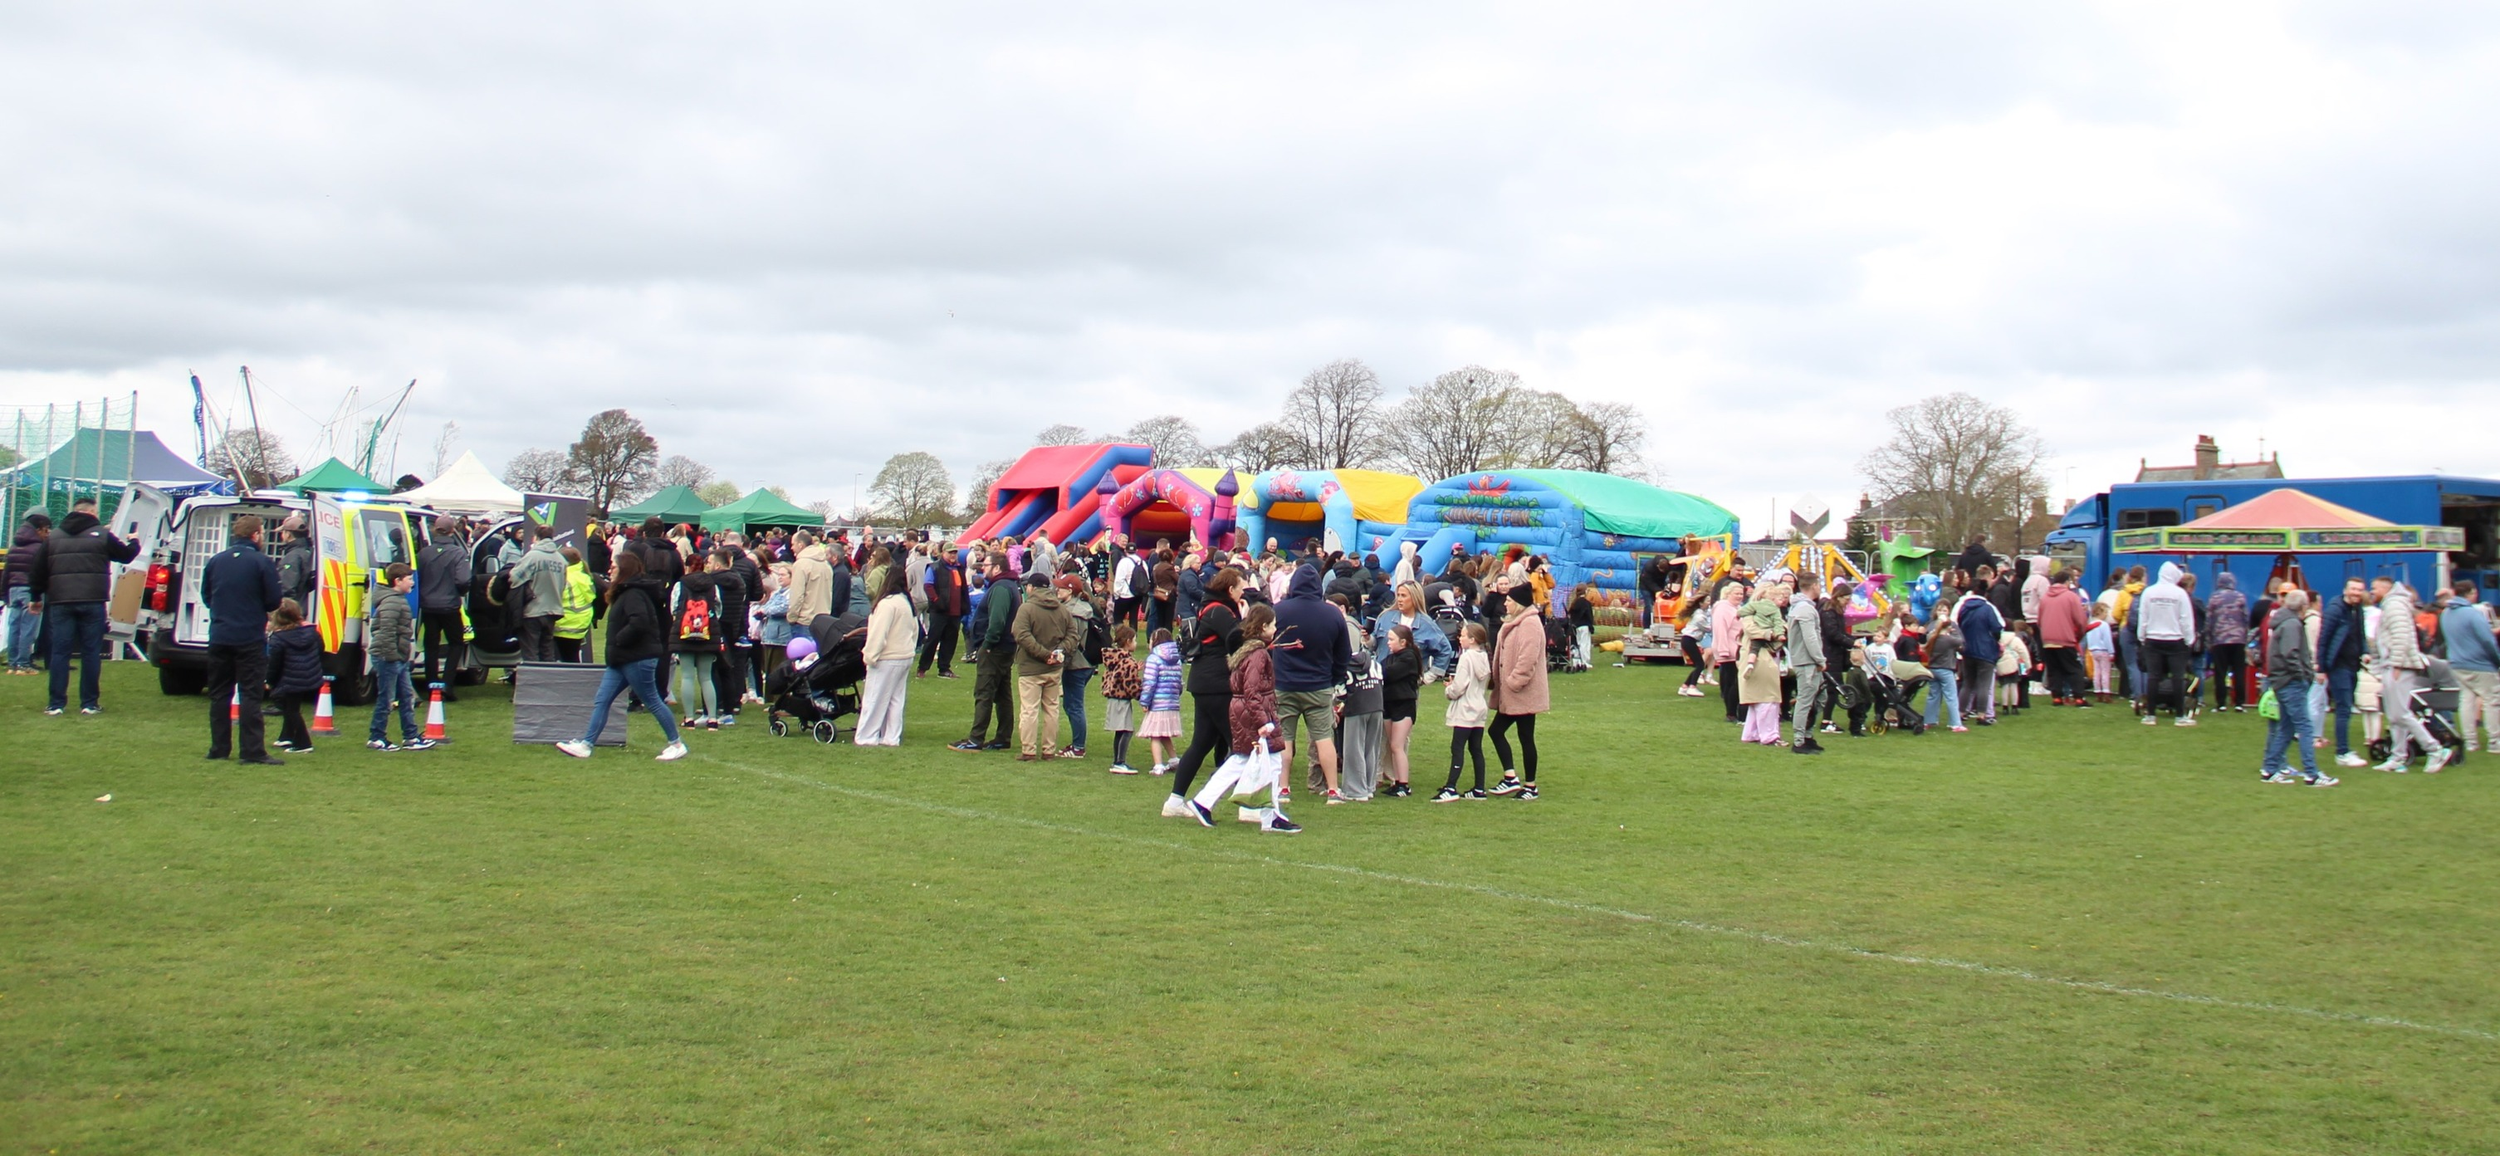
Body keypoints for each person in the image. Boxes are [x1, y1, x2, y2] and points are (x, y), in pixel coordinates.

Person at [556, 551, 686, 761]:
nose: (610, 569)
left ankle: (676, 743)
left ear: (624, 569)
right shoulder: (626, 592)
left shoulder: (634, 594)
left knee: (652, 700)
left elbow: (639, 621)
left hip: (636, 658)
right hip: (621, 659)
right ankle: (586, 745)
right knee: (602, 699)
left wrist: (619, 640)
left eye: (613, 566)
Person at [30, 499, 139, 715]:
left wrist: (36, 597)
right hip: (92, 600)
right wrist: (134, 541)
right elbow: (126, 555)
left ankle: (56, 704)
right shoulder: (101, 534)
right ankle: (89, 703)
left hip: (61, 601)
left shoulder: (54, 537)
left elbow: (38, 570)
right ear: (92, 512)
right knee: (91, 652)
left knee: (60, 652)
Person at [201, 513, 285, 764]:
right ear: (256, 534)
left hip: (220, 635)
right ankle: (252, 750)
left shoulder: (216, 561)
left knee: (219, 694)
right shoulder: (262, 562)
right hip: (249, 636)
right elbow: (273, 600)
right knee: (250, 694)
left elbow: (207, 595)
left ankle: (218, 748)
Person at [1163, 568, 1244, 816]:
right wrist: (1248, 620)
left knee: (1202, 742)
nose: (1243, 592)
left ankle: (1175, 801)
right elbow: (1237, 639)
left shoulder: (1213, 607)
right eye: (1241, 588)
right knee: (1241, 745)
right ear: (1230, 590)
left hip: (1205, 683)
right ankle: (1247, 805)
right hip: (1216, 685)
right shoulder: (1220, 611)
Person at [1271, 564, 1354, 803]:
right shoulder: (1332, 614)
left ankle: (1283, 788)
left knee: (1284, 738)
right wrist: (1333, 678)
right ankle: (1332, 790)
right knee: (1323, 738)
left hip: (1284, 684)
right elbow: (1343, 653)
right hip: (1318, 685)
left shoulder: (1279, 610)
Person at [2259, 588, 2336, 786]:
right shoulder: (2292, 624)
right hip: (2291, 682)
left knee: (2286, 728)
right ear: (2304, 606)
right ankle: (2312, 773)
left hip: (2282, 680)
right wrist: (2302, 676)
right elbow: (2290, 654)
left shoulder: (2282, 622)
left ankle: (2269, 769)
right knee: (2305, 726)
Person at [2371, 578, 2447, 773]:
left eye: (2374, 588)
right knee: (2395, 715)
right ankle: (2398, 757)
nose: (2371, 591)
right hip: (2395, 664)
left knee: (2400, 714)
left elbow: (2401, 636)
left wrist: (2395, 663)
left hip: (2399, 666)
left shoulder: (2394, 605)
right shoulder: (2393, 604)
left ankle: (2434, 749)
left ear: (2385, 588)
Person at [1487, 586, 1553, 794]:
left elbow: (1528, 657)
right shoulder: (1519, 621)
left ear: (1519, 603)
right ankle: (1517, 780)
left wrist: (1514, 681)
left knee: (1507, 733)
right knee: (1521, 735)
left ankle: (1524, 783)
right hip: (1514, 691)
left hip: (1522, 691)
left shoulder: (1530, 624)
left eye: (1508, 600)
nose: (1505, 603)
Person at [951, 556, 1021, 753]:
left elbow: (997, 621)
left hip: (995, 648)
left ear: (997, 567)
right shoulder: (1009, 586)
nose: (983, 569)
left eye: (986, 565)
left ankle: (976, 739)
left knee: (984, 692)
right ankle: (1002, 737)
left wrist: (987, 644)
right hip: (1005, 647)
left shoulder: (1000, 588)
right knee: (1002, 693)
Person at [366, 563, 433, 752]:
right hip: (389, 658)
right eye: (409, 579)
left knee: (406, 697)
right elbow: (386, 632)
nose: (412, 582)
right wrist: (392, 656)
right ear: (397, 581)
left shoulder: (397, 599)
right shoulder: (392, 602)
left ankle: (411, 736)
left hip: (398, 658)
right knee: (386, 699)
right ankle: (376, 737)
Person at [1010, 571, 1072, 761]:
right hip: (1054, 668)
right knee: (1052, 710)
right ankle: (1048, 750)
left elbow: (1020, 634)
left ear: (1031, 588)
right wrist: (1057, 653)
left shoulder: (1026, 608)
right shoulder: (1062, 609)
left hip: (1031, 668)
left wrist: (1044, 654)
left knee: (1029, 710)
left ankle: (1029, 750)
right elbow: (1073, 635)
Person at [854, 566, 916, 746]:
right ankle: (891, 736)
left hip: (888, 657)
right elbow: (915, 630)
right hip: (904, 656)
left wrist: (870, 656)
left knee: (874, 698)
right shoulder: (905, 602)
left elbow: (878, 634)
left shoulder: (887, 604)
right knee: (896, 699)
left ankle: (867, 736)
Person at [1433, 622, 1492, 802]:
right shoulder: (1483, 657)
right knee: (1476, 748)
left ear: (1472, 639)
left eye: (1463, 635)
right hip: (1479, 706)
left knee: (1457, 747)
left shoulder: (1466, 658)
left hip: (1466, 708)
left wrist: (1449, 690)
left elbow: (1459, 687)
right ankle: (1479, 788)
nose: (1460, 638)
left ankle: (1450, 787)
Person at [2133, 562, 2198, 725]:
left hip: (2152, 639)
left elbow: (2143, 617)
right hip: (2175, 640)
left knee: (2153, 677)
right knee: (2178, 678)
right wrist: (2189, 639)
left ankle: (2150, 715)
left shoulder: (2149, 592)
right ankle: (2180, 715)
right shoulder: (2180, 594)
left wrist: (2142, 637)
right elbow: (2186, 619)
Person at [2439, 581, 2500, 754]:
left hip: (2457, 663)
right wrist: (2497, 661)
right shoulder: (2473, 614)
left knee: (2466, 702)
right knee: (2492, 701)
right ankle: (2495, 741)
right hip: (2480, 664)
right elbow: (2488, 640)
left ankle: (2470, 741)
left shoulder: (2445, 613)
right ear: (2470, 593)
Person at [2316, 578, 2370, 768]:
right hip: (2338, 665)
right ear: (2345, 590)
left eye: (2360, 590)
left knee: (2346, 707)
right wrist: (2321, 668)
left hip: (2353, 664)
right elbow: (2323, 639)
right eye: (2353, 589)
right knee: (2343, 708)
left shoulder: (2358, 609)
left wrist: (2365, 652)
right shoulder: (2335, 610)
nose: (2357, 593)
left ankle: (2344, 749)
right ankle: (2342, 752)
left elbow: (2360, 634)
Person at [416, 517, 473, 696]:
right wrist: (461, 592)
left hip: (427, 605)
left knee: (430, 644)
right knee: (456, 643)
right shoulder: (457, 553)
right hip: (449, 605)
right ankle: (447, 683)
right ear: (452, 531)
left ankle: (431, 681)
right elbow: (463, 579)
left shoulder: (423, 553)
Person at [671, 551, 728, 729]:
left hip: (685, 634)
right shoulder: (712, 585)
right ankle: (712, 718)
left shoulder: (681, 585)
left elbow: (674, 608)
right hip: (707, 633)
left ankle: (689, 718)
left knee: (687, 676)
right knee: (706, 677)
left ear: (687, 567)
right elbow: (718, 608)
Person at [265, 598, 325, 753]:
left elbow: (274, 664)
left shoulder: (278, 638)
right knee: (291, 707)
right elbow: (320, 649)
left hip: (289, 679)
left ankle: (303, 743)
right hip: (309, 675)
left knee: (290, 709)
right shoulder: (311, 631)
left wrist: (269, 681)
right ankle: (287, 736)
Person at [1055, 573, 1100, 759]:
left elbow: (1072, 642)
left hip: (1077, 665)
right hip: (1086, 663)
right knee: (1072, 704)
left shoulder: (1074, 612)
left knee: (1074, 706)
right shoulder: (1084, 607)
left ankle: (1078, 747)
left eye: (1061, 587)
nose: (1057, 590)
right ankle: (1077, 744)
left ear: (1071, 591)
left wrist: (1060, 665)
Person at [509, 524, 567, 664]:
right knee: (547, 652)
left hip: (533, 610)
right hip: (553, 609)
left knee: (531, 653)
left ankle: (532, 684)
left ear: (536, 537)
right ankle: (548, 683)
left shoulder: (533, 556)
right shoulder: (561, 559)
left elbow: (514, 579)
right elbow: (563, 585)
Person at [1369, 582, 1453, 676]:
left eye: (1404, 596)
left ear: (1414, 598)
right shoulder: (1385, 617)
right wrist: (1367, 639)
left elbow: (1445, 650)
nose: (1399, 599)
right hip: (1381, 679)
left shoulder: (1427, 625)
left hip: (1408, 685)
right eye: (1398, 595)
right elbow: (1373, 644)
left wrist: (1430, 676)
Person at [1785, 574, 1826, 756]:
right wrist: (1820, 659)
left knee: (1820, 697)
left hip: (1808, 660)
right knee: (1805, 700)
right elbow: (1810, 637)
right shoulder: (1805, 609)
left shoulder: (1800, 607)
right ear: (1814, 585)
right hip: (1807, 661)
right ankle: (1799, 741)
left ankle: (1807, 736)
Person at [1379, 625, 1422, 797]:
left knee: (1398, 745)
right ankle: (1397, 781)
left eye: (1391, 639)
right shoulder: (1392, 657)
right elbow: (1380, 669)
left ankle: (1403, 784)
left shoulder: (1409, 658)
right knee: (1393, 744)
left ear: (1403, 642)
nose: (1388, 643)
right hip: (1389, 703)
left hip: (1403, 705)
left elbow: (1388, 673)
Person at [5, 512, 49, 674]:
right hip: (30, 591)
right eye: (47, 530)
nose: (48, 534)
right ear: (40, 529)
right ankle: (24, 663)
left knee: (14, 627)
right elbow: (42, 572)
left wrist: (5, 593)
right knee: (28, 628)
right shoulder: (39, 548)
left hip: (13, 589)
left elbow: (7, 571)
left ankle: (13, 663)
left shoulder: (14, 545)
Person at [1098, 623, 1145, 772]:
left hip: (1113, 698)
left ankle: (1117, 761)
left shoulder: (1115, 659)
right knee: (1126, 730)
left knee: (1120, 730)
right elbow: (1129, 684)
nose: (1136, 643)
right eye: (1135, 640)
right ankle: (1120, 761)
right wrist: (1141, 696)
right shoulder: (1127, 661)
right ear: (1128, 641)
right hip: (1121, 700)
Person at [2205, 572, 2250, 711]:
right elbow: (2246, 618)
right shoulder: (2240, 597)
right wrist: (2245, 637)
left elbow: (2209, 621)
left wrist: (2209, 640)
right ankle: (2239, 703)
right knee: (2239, 671)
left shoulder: (2214, 598)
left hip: (2220, 640)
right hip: (2238, 639)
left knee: (2220, 672)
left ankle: (2221, 703)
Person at [919, 548, 967, 678]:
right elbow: (928, 585)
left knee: (950, 640)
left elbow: (962, 588)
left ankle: (944, 668)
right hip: (939, 611)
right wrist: (936, 600)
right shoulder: (934, 567)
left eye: (955, 553)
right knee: (933, 639)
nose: (953, 555)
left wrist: (964, 606)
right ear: (943, 553)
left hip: (955, 611)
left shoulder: (959, 568)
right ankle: (922, 667)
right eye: (950, 552)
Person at [1711, 582, 1747, 724]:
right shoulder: (1722, 609)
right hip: (1728, 650)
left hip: (1737, 649)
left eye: (1741, 594)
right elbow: (1720, 629)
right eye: (1736, 593)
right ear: (1728, 594)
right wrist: (1723, 650)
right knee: (1731, 683)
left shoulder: (1737, 609)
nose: (1739, 596)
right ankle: (1731, 713)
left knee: (1735, 683)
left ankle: (1735, 711)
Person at [1924, 611, 1965, 732]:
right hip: (1946, 670)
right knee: (1951, 696)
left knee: (1933, 695)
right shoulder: (1948, 640)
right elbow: (1960, 641)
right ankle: (1955, 723)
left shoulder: (1931, 637)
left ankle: (1928, 720)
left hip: (1933, 669)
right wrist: (1954, 631)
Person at [555, 547, 596, 663]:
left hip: (565, 623)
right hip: (581, 622)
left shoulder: (564, 577)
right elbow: (591, 597)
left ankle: (573, 679)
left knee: (568, 658)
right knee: (572, 657)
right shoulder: (584, 576)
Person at [2085, 605, 2116, 704]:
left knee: (2096, 672)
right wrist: (2111, 652)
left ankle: (2098, 692)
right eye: (2105, 612)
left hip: (2093, 651)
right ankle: (2106, 693)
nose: (2106, 615)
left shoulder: (2090, 624)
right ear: (2100, 613)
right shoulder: (2104, 625)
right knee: (2105, 672)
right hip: (2103, 650)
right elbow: (2107, 639)